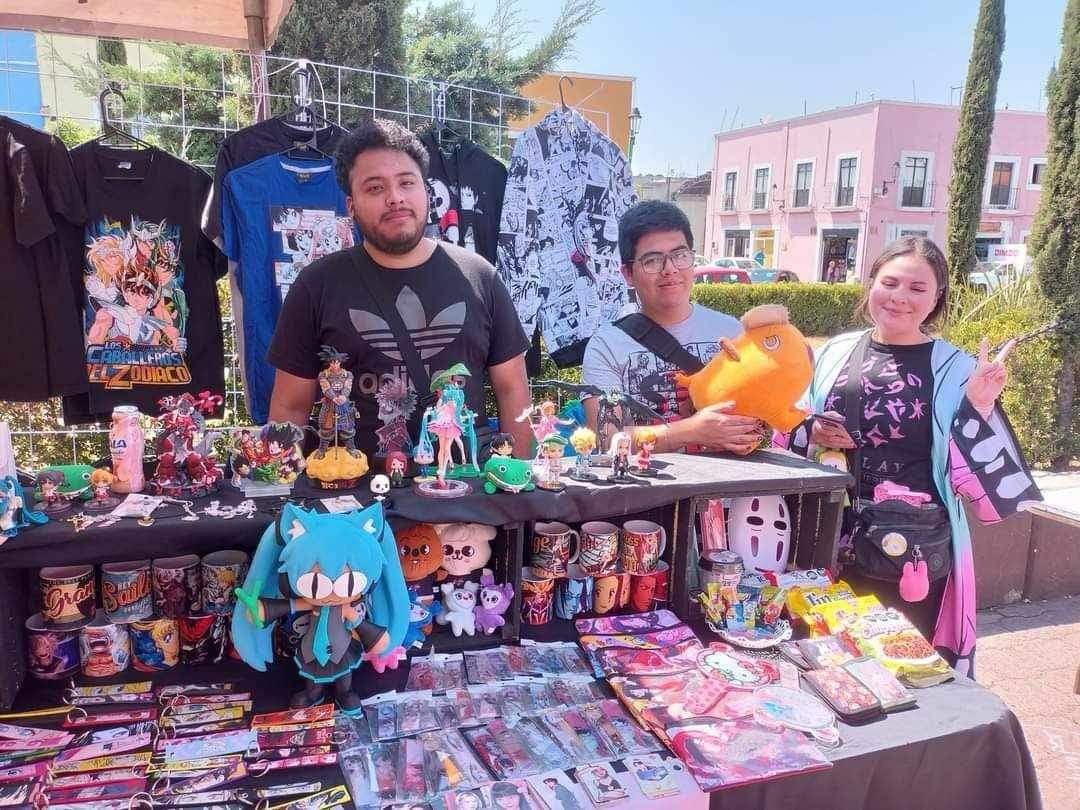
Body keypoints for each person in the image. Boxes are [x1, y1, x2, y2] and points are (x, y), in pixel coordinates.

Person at [786, 236, 1040, 676]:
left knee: (904, 665)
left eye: (917, 288)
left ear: (936, 298)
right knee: (830, 664)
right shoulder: (833, 353)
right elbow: (788, 422)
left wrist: (979, 406)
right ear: (871, 284)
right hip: (830, 538)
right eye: (890, 283)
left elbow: (976, 477)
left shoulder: (956, 369)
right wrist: (812, 430)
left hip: (911, 549)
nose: (899, 297)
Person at [266, 119, 533, 460]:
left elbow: (513, 392)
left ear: (426, 191)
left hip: (467, 484)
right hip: (354, 486)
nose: (395, 198)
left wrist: (518, 482)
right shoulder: (315, 285)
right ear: (351, 206)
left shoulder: (480, 277)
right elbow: (290, 407)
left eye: (407, 182)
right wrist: (282, 481)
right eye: (375, 188)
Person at [582, 200, 765, 455]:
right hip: (644, 481)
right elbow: (606, 436)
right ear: (628, 274)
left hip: (729, 479)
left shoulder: (733, 332)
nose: (670, 269)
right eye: (653, 260)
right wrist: (691, 431)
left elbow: (762, 414)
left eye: (680, 255)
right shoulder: (607, 346)